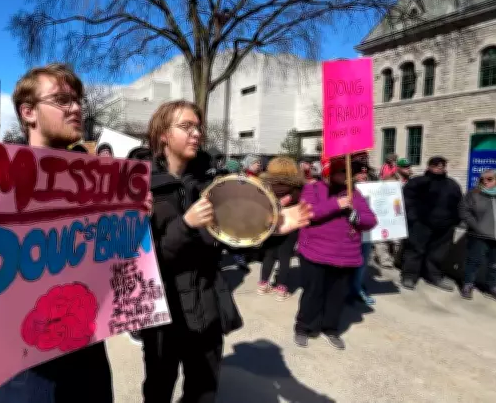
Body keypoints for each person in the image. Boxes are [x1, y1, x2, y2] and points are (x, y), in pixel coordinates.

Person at [0, 63, 153, 402]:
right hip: (21, 378)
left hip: (87, 372)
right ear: (28, 112)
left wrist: (135, 229)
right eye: (62, 100)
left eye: (78, 100)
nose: (76, 108)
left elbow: (116, 276)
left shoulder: (102, 187)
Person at [143, 100, 312, 402]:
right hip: (163, 309)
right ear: (163, 134)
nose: (196, 133)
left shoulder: (214, 183)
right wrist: (185, 225)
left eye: (198, 127)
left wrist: (269, 229)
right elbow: (143, 261)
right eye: (186, 126)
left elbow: (233, 239)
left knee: (204, 390)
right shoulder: (141, 187)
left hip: (207, 302)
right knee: (158, 388)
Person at [294, 158, 377, 350]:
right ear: (329, 173)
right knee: (313, 293)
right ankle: (304, 327)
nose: (347, 176)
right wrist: (336, 204)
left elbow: (371, 220)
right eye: (342, 172)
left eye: (349, 172)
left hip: (345, 256)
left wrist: (356, 216)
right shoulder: (313, 189)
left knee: (336, 295)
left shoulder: (354, 194)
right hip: (315, 252)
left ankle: (330, 328)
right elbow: (309, 213)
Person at [401, 156, 462, 291]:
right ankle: (409, 275)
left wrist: (455, 220)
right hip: (421, 224)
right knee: (415, 250)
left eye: (442, 165)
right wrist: (413, 219)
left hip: (445, 227)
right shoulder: (418, 182)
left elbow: (459, 203)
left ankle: (434, 276)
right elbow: (407, 201)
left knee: (438, 253)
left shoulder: (452, 184)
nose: (439, 167)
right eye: (436, 165)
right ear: (429, 166)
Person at [257, 157, 305, 301]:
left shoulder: (264, 186)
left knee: (269, 255)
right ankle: (281, 289)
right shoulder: (297, 188)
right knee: (285, 257)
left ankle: (263, 284)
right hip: (290, 226)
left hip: (270, 225)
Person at [459, 169, 496, 302]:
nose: (485, 181)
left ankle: (492, 287)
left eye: (489, 179)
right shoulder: (474, 194)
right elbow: (464, 210)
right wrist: (476, 226)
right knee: (473, 261)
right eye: (482, 179)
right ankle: (468, 285)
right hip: (479, 235)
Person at [347, 165, 376, 306]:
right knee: (349, 263)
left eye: (365, 173)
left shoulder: (374, 187)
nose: (363, 176)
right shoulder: (347, 190)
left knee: (362, 263)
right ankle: (347, 290)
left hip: (368, 232)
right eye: (359, 173)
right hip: (351, 233)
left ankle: (357, 288)